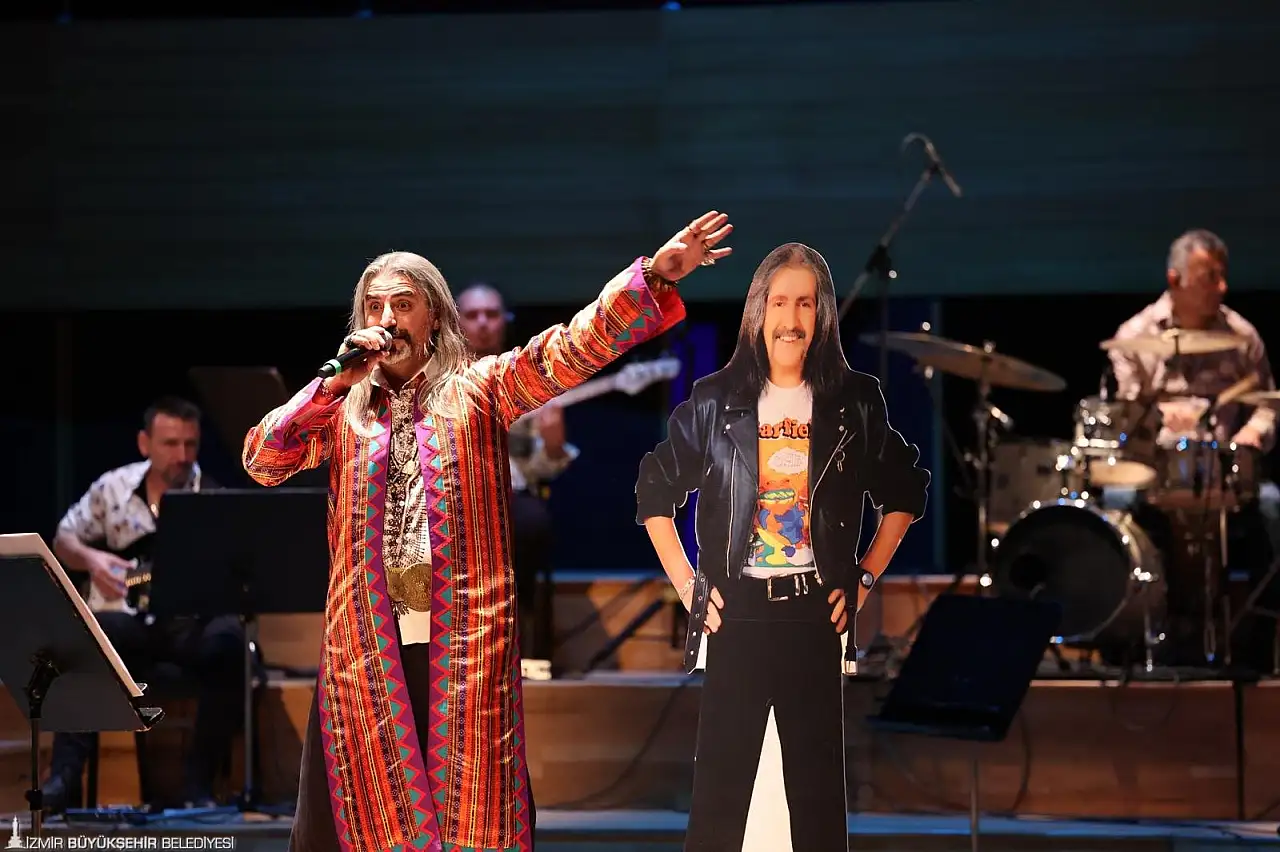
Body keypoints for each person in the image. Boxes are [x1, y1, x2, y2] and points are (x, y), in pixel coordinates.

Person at [241, 211, 731, 852]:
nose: (387, 319)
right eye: (375, 306)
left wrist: (653, 278)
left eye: (403, 305)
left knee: (474, 817)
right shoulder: (342, 413)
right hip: (366, 651)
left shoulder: (480, 389)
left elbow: (570, 347)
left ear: (435, 317)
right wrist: (332, 383)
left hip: (463, 647)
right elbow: (264, 460)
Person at [634, 243, 930, 851]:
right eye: (779, 302)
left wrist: (864, 578)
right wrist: (688, 585)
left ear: (822, 315)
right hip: (734, 614)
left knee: (818, 805)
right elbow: (655, 489)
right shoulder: (716, 399)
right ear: (758, 310)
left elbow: (905, 489)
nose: (791, 319)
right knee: (718, 806)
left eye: (805, 303)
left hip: (814, 613)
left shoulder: (853, 400)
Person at [43, 397, 246, 812]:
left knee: (230, 644)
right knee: (85, 640)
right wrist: (94, 560)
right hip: (129, 620)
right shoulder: (113, 489)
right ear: (144, 443)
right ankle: (64, 779)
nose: (182, 456)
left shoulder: (211, 497)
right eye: (171, 444)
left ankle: (198, 786)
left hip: (188, 625)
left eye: (190, 445)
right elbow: (63, 539)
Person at [1106, 228, 1280, 672]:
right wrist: (1159, 422)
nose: (1222, 287)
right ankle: (1129, 642)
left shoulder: (1242, 335)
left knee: (1272, 508)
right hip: (1155, 471)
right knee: (1116, 503)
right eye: (1210, 277)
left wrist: (1251, 435)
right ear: (1175, 279)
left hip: (1224, 472)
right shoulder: (1135, 336)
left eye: (1223, 276)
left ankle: (1260, 647)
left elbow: (1266, 405)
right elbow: (1127, 415)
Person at [457, 282, 576, 659]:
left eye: (491, 314)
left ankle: (516, 642)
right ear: (455, 322)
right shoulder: (436, 376)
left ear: (505, 321)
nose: (482, 323)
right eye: (472, 315)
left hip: (508, 493)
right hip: (450, 491)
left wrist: (553, 446)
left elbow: (540, 469)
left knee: (529, 522)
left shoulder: (526, 378)